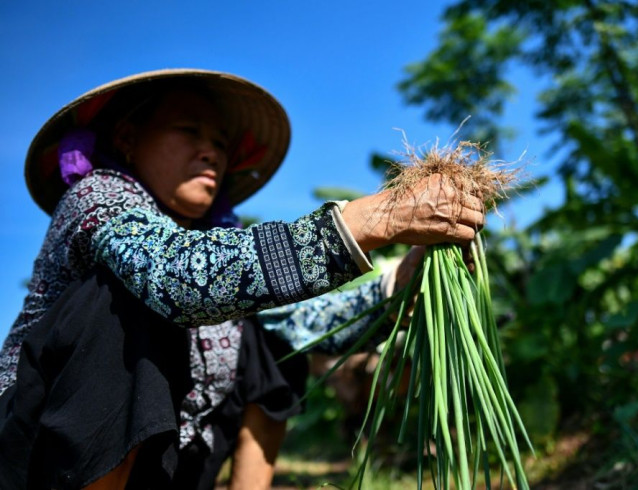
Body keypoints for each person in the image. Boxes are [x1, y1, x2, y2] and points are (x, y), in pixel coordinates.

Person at [0, 69, 484, 489]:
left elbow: (302, 325)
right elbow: (178, 276)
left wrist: (401, 282)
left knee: (270, 339)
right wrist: (376, 219)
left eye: (220, 144)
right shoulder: (98, 198)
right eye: (189, 131)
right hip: (40, 463)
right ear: (127, 138)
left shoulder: (217, 236)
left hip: (162, 469)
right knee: (124, 302)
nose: (210, 152)